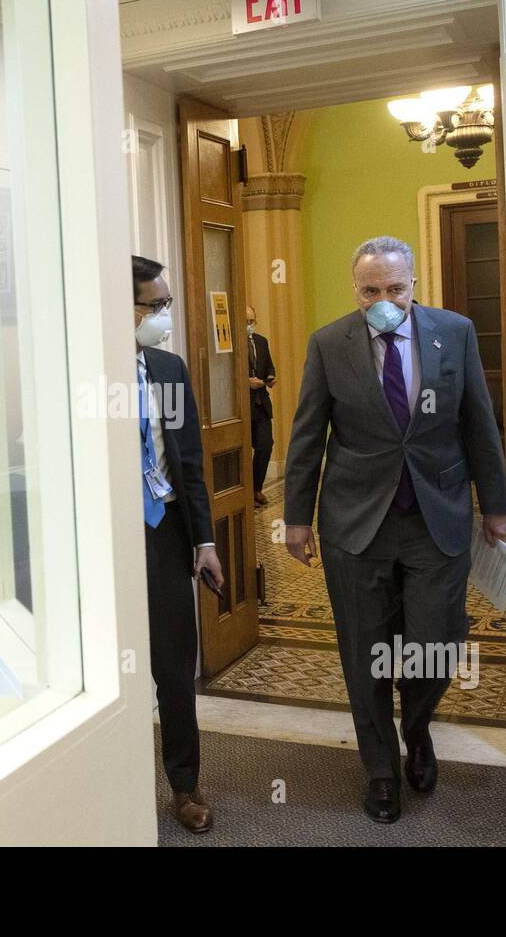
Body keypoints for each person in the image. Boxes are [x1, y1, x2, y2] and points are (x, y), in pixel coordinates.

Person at [282, 235, 506, 824]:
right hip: (354, 524)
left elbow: (480, 423)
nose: (383, 300)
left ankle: (418, 729)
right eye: (370, 290)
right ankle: (381, 769)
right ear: (354, 289)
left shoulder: (454, 332)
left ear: (414, 283)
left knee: (436, 645)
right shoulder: (329, 343)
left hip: (436, 516)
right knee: (364, 652)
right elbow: (309, 434)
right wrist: (295, 517)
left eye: (394, 288)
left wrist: (497, 503)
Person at [132, 254, 225, 834]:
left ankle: (184, 786)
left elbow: (188, 461)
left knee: (174, 665)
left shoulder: (167, 369)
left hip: (165, 530)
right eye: (154, 305)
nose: (165, 315)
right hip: (110, 537)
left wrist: (205, 540)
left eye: (166, 303)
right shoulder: (82, 375)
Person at [246, 305, 276, 506]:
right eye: (246, 322)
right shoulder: (232, 343)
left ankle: (256, 488)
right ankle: (245, 492)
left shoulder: (261, 341)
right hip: (242, 406)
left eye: (252, 321)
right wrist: (246, 381)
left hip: (261, 404)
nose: (249, 326)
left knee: (265, 445)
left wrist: (271, 377)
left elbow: (269, 366)